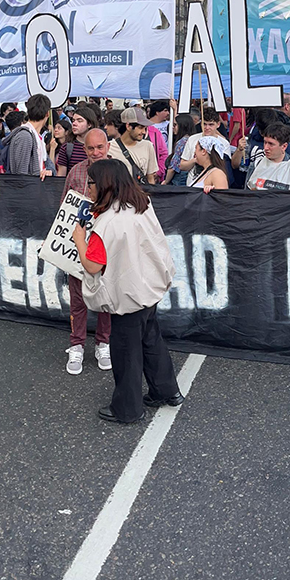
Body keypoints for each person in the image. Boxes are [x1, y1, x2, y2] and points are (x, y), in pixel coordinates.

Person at [72, 159, 181, 424]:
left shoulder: (106, 224)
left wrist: (78, 239)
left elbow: (93, 265)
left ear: (106, 184)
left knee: (126, 353)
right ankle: (166, 391)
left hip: (126, 295)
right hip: (149, 286)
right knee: (151, 340)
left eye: (92, 183)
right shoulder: (141, 203)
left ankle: (127, 408)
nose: (89, 188)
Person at [62, 128, 113, 375]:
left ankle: (103, 343)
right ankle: (77, 346)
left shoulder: (118, 172)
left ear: (108, 147)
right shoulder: (76, 172)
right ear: (85, 149)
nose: (96, 152)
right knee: (78, 299)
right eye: (91, 148)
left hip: (106, 245)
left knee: (105, 299)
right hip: (79, 245)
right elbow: (63, 208)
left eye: (100, 147)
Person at [246, 124, 290, 192]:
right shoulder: (255, 165)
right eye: (265, 142)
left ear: (284, 146)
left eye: (271, 144)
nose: (266, 148)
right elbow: (246, 196)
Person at [109, 107, 159, 184]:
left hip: (141, 193)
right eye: (140, 127)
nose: (144, 132)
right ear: (128, 126)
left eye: (145, 128)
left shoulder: (148, 146)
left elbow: (151, 178)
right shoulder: (109, 147)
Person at [5, 93, 51, 177]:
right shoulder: (25, 136)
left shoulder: (34, 135)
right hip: (28, 187)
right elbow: (21, 175)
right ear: (47, 114)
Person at [178, 107, 227, 182]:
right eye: (204, 124)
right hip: (193, 185)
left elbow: (225, 167)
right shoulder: (192, 139)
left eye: (211, 125)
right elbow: (182, 166)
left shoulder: (224, 143)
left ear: (218, 124)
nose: (207, 127)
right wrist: (195, 160)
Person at [164, 114, 198, 186]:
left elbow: (173, 167)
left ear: (182, 126)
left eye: (175, 125)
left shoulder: (182, 142)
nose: (173, 127)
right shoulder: (193, 139)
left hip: (179, 179)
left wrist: (166, 181)